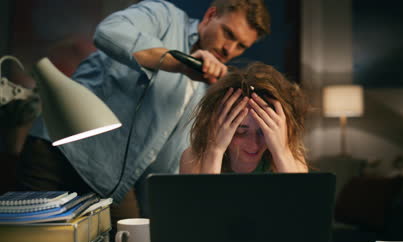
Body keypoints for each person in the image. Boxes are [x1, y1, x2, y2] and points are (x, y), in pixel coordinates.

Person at [17, 0, 271, 221]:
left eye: (241, 46)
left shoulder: (203, 90)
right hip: (57, 150)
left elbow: (167, 164)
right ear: (210, 16)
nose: (230, 49)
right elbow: (108, 32)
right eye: (228, 33)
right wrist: (181, 64)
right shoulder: (163, 15)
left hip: (109, 178)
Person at [180, 62, 309, 174]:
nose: (254, 145)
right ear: (217, 125)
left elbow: (300, 202)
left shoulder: (293, 159)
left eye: (263, 132)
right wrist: (215, 151)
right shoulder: (193, 158)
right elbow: (203, 202)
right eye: (240, 131)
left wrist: (281, 152)